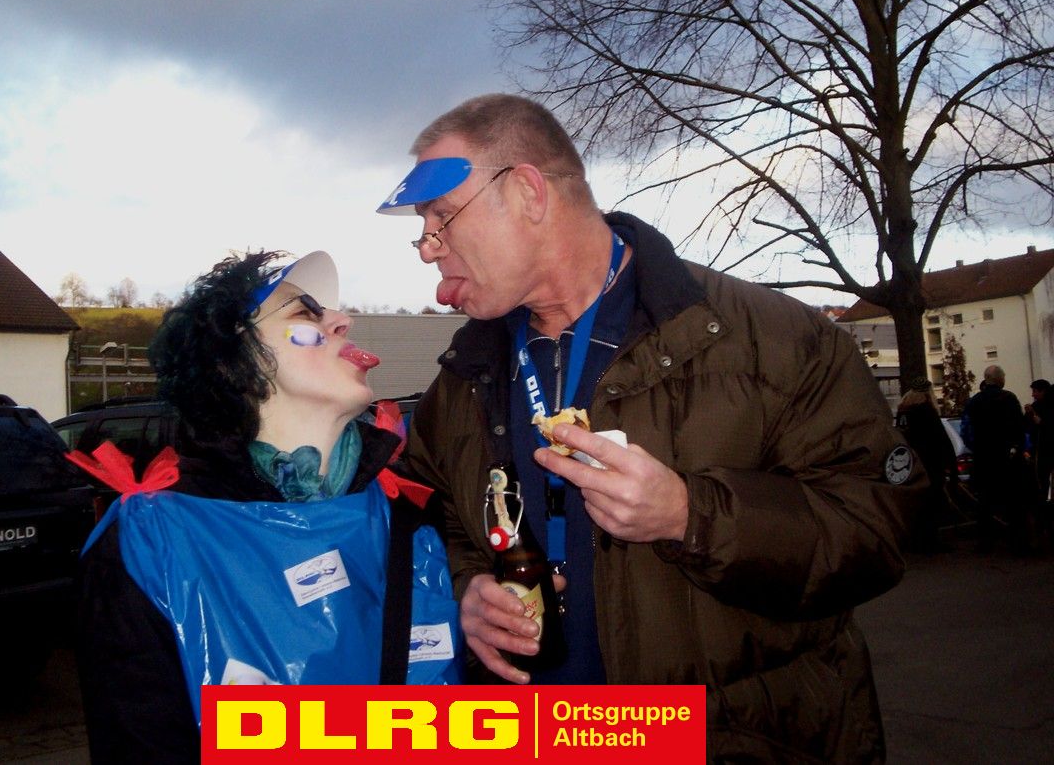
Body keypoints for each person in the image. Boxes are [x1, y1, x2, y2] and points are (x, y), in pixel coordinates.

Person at [376, 93, 924, 761]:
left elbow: (877, 530)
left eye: (442, 218)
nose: (428, 250)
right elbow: (431, 518)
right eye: (423, 229)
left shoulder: (777, 340)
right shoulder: (465, 376)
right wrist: (468, 590)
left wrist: (691, 515)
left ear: (526, 192)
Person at [75, 250, 460, 763]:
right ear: (236, 364)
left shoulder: (410, 512)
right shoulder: (151, 542)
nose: (342, 320)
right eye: (305, 314)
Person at [962, 364, 1029, 554]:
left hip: (983, 458)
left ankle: (985, 542)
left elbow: (966, 430)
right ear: (1000, 379)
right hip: (1006, 458)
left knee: (985, 502)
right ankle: (1017, 542)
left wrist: (977, 448)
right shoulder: (1009, 399)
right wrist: (1018, 448)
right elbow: (1019, 428)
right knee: (1014, 502)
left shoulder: (974, 402)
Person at [895, 379, 956, 551]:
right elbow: (940, 438)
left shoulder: (903, 411)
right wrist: (949, 463)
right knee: (932, 502)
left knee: (915, 503)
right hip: (929, 463)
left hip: (908, 463)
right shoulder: (926, 411)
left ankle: (916, 539)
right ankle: (930, 541)